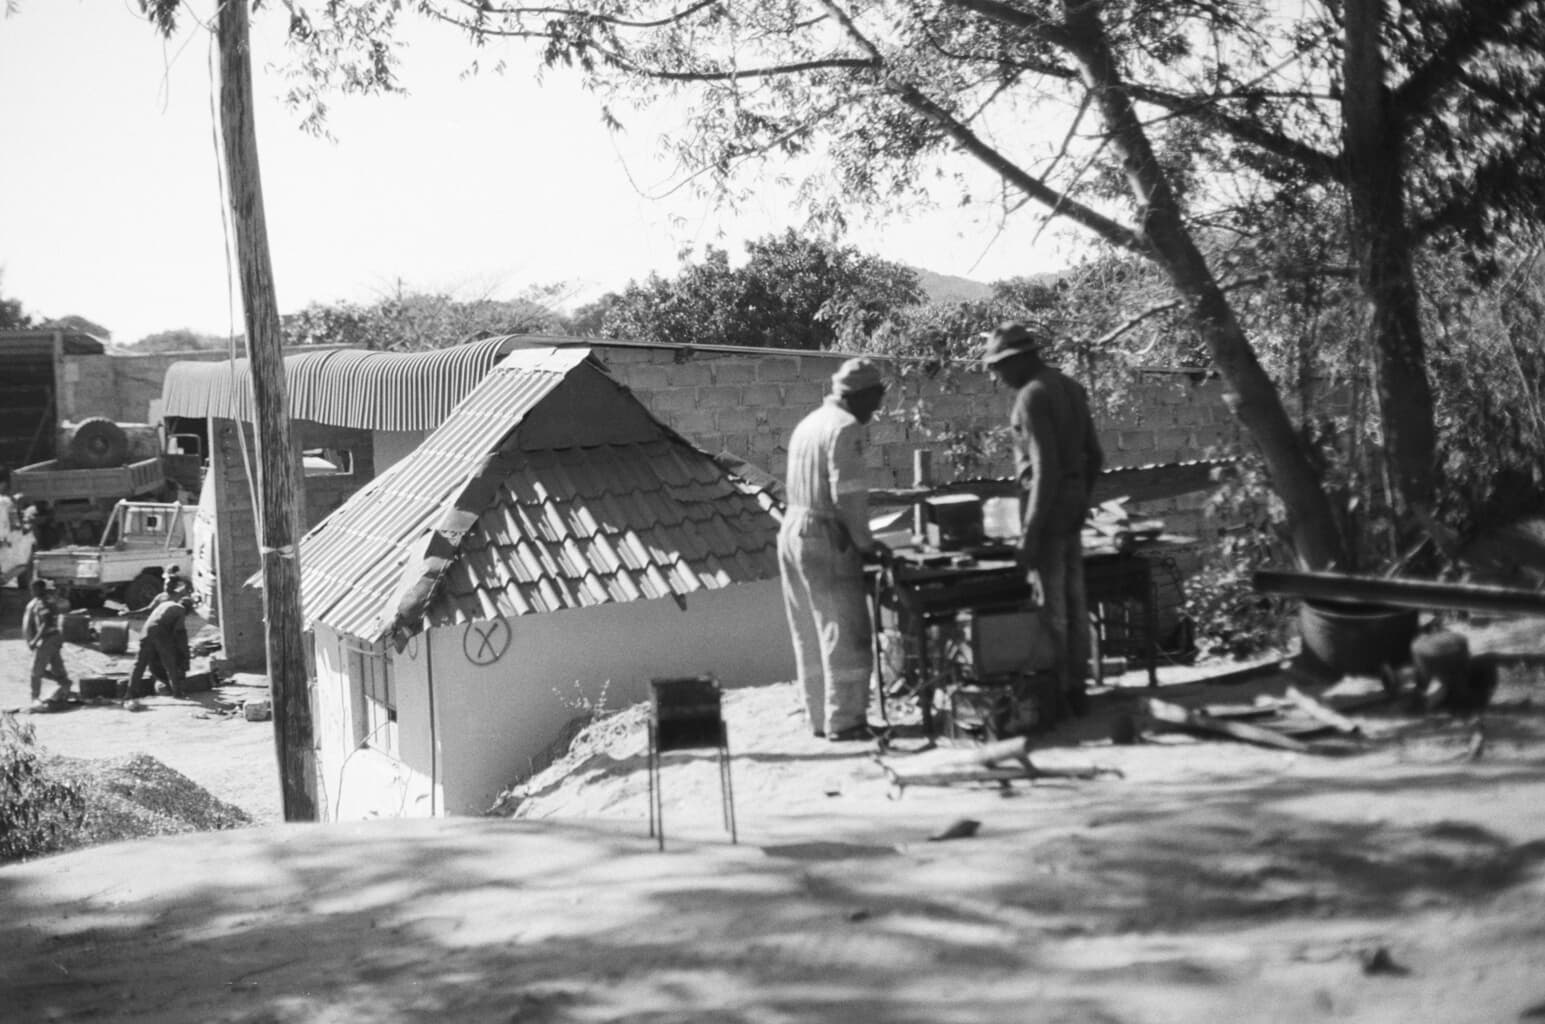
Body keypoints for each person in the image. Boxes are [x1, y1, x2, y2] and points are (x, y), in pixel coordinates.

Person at [982, 322, 1104, 717]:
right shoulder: (1069, 387)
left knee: (1052, 604)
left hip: (1048, 508)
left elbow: (1045, 468)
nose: (997, 377)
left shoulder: (1031, 397)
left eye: (999, 367)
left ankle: (1060, 693)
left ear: (1018, 360)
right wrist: (1081, 501)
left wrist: (1030, 533)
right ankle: (1078, 687)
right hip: (1071, 504)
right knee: (1075, 597)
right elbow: (1095, 456)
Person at [779, 356, 889, 742]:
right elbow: (850, 497)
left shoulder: (810, 423)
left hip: (793, 528)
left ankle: (821, 719)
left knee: (809, 632)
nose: (878, 407)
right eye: (877, 396)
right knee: (846, 632)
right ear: (863, 394)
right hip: (826, 533)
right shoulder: (846, 428)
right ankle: (847, 721)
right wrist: (866, 546)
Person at [127, 596, 196, 700]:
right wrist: (185, 653)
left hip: (145, 632)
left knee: (140, 664)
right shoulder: (180, 609)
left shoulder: (165, 604)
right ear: (188, 608)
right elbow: (180, 633)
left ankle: (130, 693)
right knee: (170, 664)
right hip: (160, 633)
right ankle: (177, 692)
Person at [22, 578, 73, 706]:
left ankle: (35, 697)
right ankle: (64, 684)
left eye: (34, 589)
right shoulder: (49, 600)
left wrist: (34, 640)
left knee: (36, 672)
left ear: (40, 589)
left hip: (47, 639)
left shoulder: (42, 603)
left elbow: (46, 622)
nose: (32, 591)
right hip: (55, 638)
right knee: (56, 667)